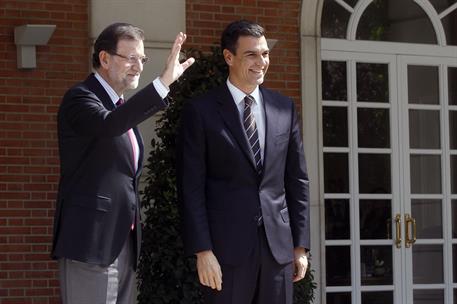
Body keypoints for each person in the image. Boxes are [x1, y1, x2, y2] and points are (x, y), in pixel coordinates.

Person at [51, 22, 194, 304]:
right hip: (90, 241)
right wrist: (162, 84)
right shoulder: (80, 98)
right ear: (104, 58)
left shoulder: (120, 107)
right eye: (130, 58)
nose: (138, 67)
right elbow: (109, 125)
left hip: (124, 241)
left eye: (142, 59)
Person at [177, 20, 310, 304]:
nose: (261, 62)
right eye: (251, 54)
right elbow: (191, 187)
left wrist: (300, 246)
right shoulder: (200, 112)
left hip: (278, 250)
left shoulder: (284, 108)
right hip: (225, 252)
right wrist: (203, 250)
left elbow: (297, 180)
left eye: (265, 54)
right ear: (229, 57)